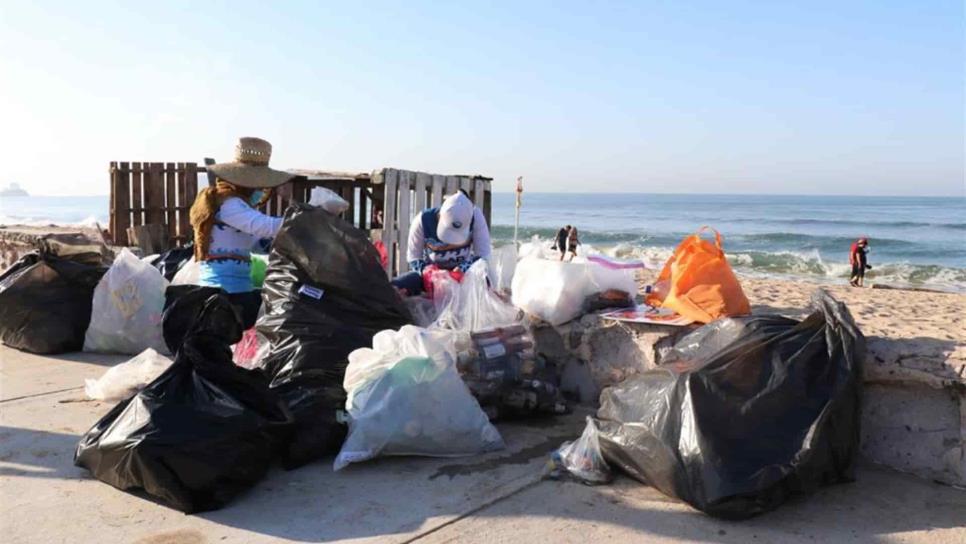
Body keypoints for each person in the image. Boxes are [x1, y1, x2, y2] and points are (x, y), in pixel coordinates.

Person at [189, 137, 294, 328]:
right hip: (221, 293)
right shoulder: (229, 204)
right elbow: (265, 226)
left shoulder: (239, 205)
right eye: (258, 184)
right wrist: (305, 217)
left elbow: (254, 242)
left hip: (238, 289)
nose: (260, 189)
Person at [391, 191, 492, 296]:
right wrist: (428, 272)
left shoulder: (476, 217)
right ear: (440, 215)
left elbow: (483, 256)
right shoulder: (422, 220)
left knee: (485, 283)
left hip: (464, 275)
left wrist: (462, 269)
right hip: (431, 277)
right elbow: (413, 258)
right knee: (397, 286)